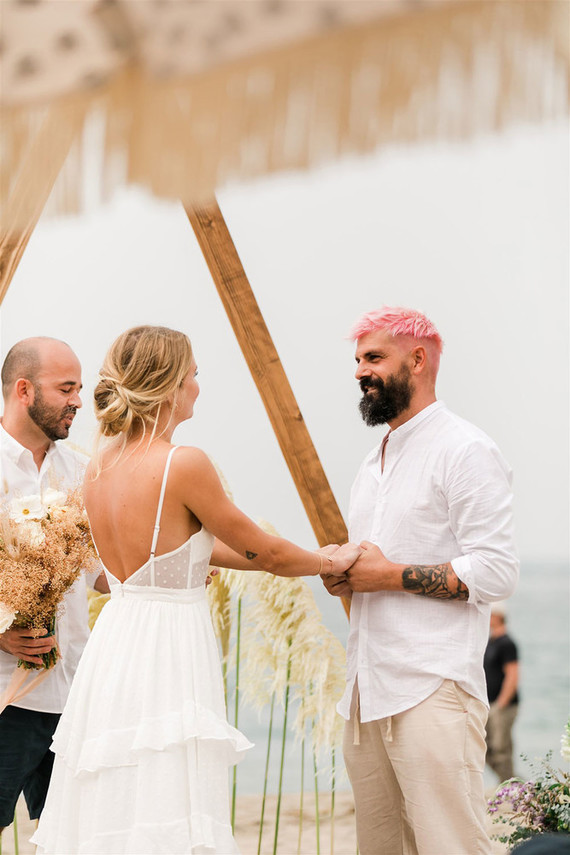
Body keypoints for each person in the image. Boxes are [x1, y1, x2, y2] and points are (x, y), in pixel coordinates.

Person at [32, 325, 359, 855]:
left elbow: (199, 549)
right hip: (167, 643)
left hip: (116, 640)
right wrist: (327, 560)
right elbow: (264, 550)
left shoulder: (99, 466)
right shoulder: (182, 463)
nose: (198, 387)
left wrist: (298, 561)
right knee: (168, 791)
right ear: (168, 386)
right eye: (194, 375)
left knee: (122, 788)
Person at [321, 306, 519, 855]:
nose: (360, 371)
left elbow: (498, 568)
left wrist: (387, 575)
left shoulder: (465, 449)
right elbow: (380, 568)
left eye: (374, 357)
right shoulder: (372, 462)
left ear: (418, 359)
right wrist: (350, 577)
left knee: (452, 845)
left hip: (432, 688)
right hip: (365, 691)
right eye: (358, 360)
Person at [0, 337, 108, 837]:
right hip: (6, 697)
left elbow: (103, 574)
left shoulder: (83, 473)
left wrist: (171, 570)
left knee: (75, 837)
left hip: (75, 696)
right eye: (66, 388)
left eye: (79, 388)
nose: (78, 402)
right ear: (23, 390)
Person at [484, 602, 520, 782]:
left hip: (501, 705)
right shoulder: (490, 641)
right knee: (484, 748)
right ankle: (515, 784)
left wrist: (501, 704)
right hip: (488, 704)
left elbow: (513, 675)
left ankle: (513, 788)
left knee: (501, 748)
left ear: (497, 617)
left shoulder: (507, 643)